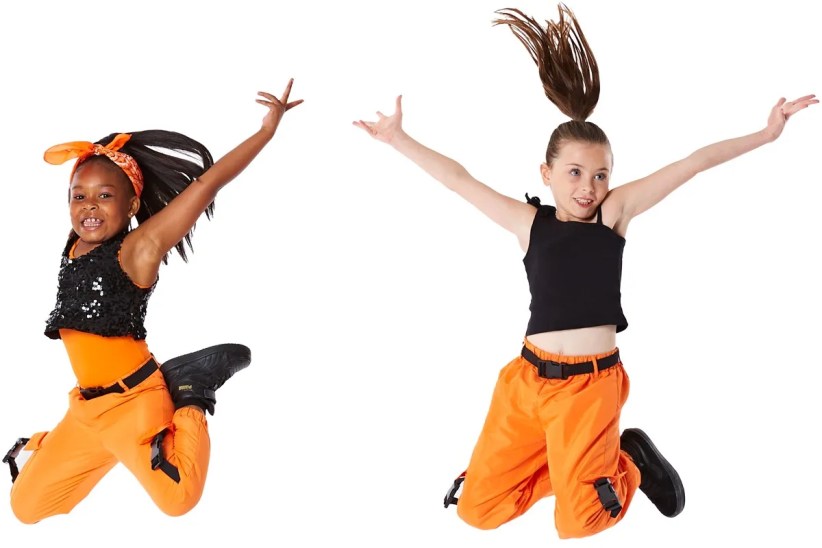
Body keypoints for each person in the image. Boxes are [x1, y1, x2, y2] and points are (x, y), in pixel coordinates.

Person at [353, 3, 817, 540]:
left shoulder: (614, 216)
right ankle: (595, 461)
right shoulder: (531, 223)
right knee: (478, 511)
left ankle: (628, 465)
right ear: (546, 174)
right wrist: (398, 139)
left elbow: (693, 162)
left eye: (600, 174)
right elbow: (459, 179)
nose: (588, 187)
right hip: (526, 382)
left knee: (580, 522)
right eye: (574, 173)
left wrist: (765, 135)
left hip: (589, 388)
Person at [4, 79, 303, 523]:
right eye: (79, 196)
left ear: (131, 205)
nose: (90, 206)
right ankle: (58, 451)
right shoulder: (75, 243)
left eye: (105, 196)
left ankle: (191, 390)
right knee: (25, 508)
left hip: (133, 402)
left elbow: (207, 185)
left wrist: (265, 132)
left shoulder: (138, 248)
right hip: (88, 410)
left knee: (178, 500)